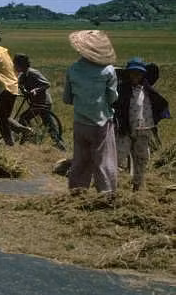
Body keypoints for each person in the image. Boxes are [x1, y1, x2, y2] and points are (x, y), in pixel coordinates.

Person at [63, 30, 118, 194]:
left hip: (80, 121)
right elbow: (112, 97)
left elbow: (67, 98)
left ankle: (77, 192)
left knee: (80, 160)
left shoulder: (73, 69)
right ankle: (106, 194)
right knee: (103, 160)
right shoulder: (108, 70)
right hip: (100, 122)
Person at [113, 57, 169, 191]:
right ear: (128, 74)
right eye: (132, 73)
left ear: (143, 74)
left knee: (141, 158)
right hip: (125, 130)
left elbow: (154, 70)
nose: (135, 76)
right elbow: (115, 106)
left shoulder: (147, 90)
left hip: (143, 129)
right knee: (118, 156)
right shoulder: (121, 91)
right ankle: (112, 186)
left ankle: (136, 186)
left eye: (139, 73)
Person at [13, 53, 65, 150]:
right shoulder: (23, 75)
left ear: (22, 65)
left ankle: (57, 143)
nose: (14, 66)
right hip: (36, 103)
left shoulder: (33, 73)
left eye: (16, 64)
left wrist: (35, 90)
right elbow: (19, 84)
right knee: (29, 119)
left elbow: (47, 84)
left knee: (43, 123)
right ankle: (31, 137)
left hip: (43, 103)